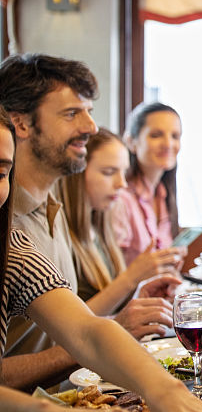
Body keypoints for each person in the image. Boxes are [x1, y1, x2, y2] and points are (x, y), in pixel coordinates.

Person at [0, 105, 202, 412]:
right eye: (71, 111)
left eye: (1, 173)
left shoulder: (13, 245)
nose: (88, 125)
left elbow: (89, 330)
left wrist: (167, 393)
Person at [0, 54, 182, 387]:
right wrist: (113, 329)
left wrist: (132, 302)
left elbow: (73, 326)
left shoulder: (52, 208)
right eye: (72, 114)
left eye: (89, 112)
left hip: (70, 403)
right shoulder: (8, 224)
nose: (90, 127)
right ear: (22, 124)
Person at [61, 128, 183, 318]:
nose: (122, 184)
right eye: (109, 172)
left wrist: (143, 295)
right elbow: (72, 325)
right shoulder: (61, 238)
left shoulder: (99, 228)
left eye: (123, 172)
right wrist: (132, 277)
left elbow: (112, 311)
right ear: (77, 174)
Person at [111, 101, 182, 264]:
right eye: (156, 135)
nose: (168, 144)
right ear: (131, 142)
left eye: (175, 136)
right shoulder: (120, 199)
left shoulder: (163, 194)